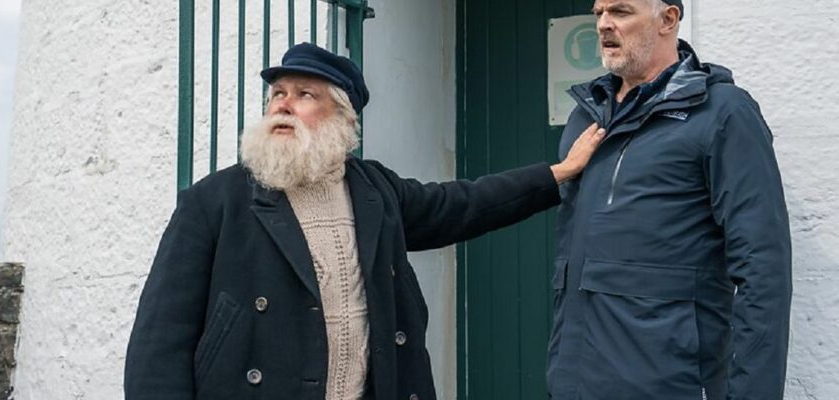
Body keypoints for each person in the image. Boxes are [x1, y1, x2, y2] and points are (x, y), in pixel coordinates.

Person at [124, 42, 604, 400]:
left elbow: (462, 204)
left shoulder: (375, 190)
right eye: (277, 94)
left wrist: (557, 174)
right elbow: (159, 343)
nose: (282, 105)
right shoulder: (214, 202)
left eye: (304, 94)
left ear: (343, 119)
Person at [548, 0, 792, 399]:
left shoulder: (721, 112)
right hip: (576, 381)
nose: (605, 25)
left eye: (621, 12)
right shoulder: (587, 117)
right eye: (599, 13)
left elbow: (763, 270)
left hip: (668, 384)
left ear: (668, 19)